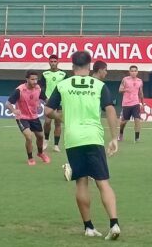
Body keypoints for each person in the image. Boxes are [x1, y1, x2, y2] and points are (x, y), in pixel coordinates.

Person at [45, 52, 120, 240]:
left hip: (73, 139)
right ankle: (114, 224)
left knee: (81, 182)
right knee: (103, 182)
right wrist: (114, 138)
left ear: (72, 66)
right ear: (90, 66)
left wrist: (60, 117)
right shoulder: (99, 85)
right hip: (93, 137)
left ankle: (88, 227)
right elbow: (110, 109)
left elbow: (47, 111)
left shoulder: (62, 85)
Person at [5, 70, 51, 166]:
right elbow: (7, 103)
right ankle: (30, 158)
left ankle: (40, 153)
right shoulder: (19, 90)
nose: (35, 81)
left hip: (34, 117)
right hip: (22, 117)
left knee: (40, 136)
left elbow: (46, 100)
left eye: (36, 79)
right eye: (32, 79)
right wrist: (14, 111)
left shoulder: (38, 89)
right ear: (27, 79)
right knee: (29, 137)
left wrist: (50, 105)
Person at [39, 54, 68, 152]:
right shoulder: (45, 74)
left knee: (58, 123)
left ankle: (56, 145)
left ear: (58, 62)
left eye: (55, 61)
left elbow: (66, 88)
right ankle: (46, 140)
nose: (53, 63)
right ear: (49, 62)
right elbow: (40, 88)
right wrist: (44, 98)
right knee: (47, 122)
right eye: (51, 61)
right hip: (49, 101)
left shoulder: (63, 74)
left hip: (60, 101)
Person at [118, 65, 144, 142]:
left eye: (135, 71)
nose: (133, 72)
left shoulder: (140, 81)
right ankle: (121, 134)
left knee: (137, 119)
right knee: (124, 122)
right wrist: (125, 89)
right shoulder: (125, 80)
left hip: (136, 103)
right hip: (126, 103)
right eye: (132, 71)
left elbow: (141, 93)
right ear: (129, 72)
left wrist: (142, 103)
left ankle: (137, 138)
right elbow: (120, 90)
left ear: (137, 72)